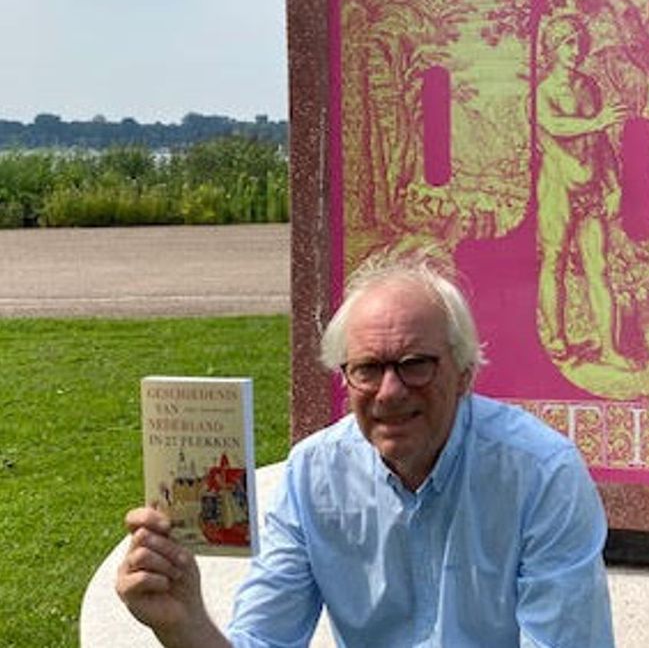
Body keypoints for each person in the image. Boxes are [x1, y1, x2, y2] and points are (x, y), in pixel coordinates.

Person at [116, 249, 614, 647]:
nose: (390, 391)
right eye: (368, 369)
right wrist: (182, 624)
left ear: (465, 374)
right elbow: (264, 639)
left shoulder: (542, 475)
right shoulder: (312, 476)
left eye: (415, 364)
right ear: (345, 378)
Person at [534, 14, 629, 368]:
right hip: (558, 187)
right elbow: (553, 125)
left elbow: (600, 141)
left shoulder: (589, 86)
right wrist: (596, 121)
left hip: (591, 187)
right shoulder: (543, 92)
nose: (576, 50)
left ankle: (610, 348)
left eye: (578, 42)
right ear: (553, 48)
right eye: (567, 43)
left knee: (599, 267)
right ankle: (557, 338)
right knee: (554, 259)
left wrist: (615, 186)